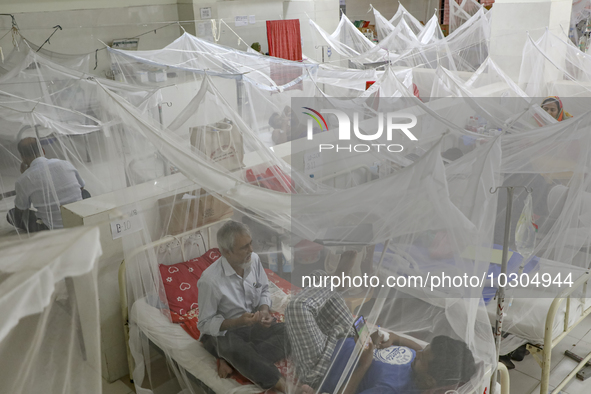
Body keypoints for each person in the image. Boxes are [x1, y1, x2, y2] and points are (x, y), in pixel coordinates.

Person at [286, 271, 477, 394]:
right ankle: (335, 279)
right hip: (346, 336)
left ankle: (335, 280)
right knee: (322, 280)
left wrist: (364, 364)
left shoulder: (392, 389)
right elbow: (418, 349)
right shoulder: (425, 366)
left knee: (297, 307)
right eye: (423, 350)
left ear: (429, 380)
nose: (417, 354)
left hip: (323, 363)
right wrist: (395, 338)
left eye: (421, 358)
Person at [197, 220, 290, 392]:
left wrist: (263, 310)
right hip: (228, 331)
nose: (251, 250)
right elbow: (204, 323)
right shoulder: (210, 281)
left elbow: (264, 289)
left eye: (250, 243)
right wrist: (237, 322)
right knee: (231, 346)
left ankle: (233, 359)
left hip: (253, 323)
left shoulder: (253, 260)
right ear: (226, 252)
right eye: (244, 247)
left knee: (291, 331)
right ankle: (281, 384)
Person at [7, 137, 89, 232]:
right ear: (42, 150)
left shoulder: (23, 180)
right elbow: (81, 187)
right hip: (79, 219)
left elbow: (21, 208)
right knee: (85, 193)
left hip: (52, 228)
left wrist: (24, 176)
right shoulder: (65, 164)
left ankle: (46, 226)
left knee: (12, 214)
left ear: (22, 157)